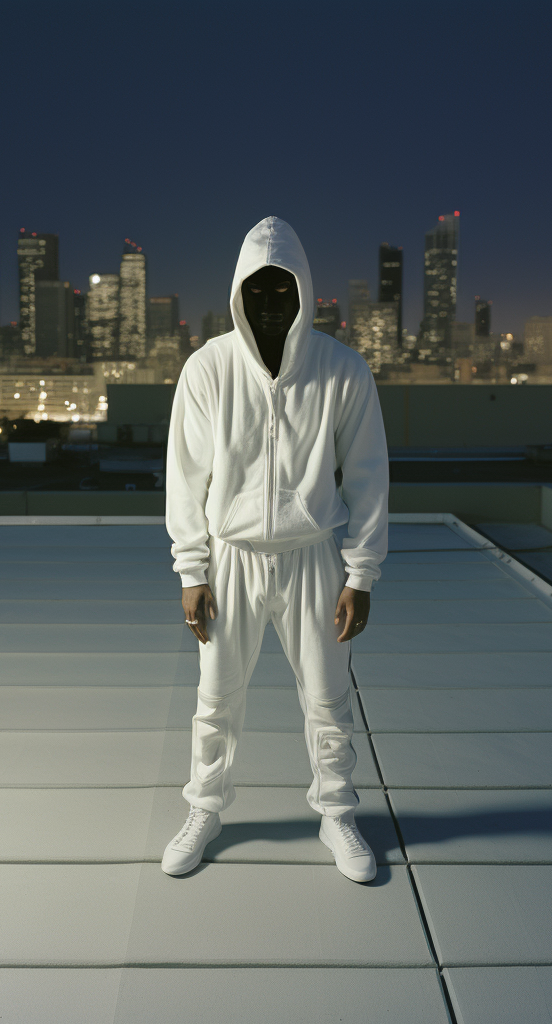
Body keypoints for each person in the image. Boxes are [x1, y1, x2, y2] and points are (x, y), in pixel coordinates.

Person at [162, 216, 388, 883]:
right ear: (237, 293)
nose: (268, 302)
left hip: (314, 555)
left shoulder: (343, 372)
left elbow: (370, 478)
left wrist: (362, 573)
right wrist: (191, 569)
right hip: (229, 560)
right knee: (215, 700)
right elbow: (186, 479)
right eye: (255, 289)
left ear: (303, 293)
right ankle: (204, 808)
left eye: (282, 288)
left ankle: (338, 813)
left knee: (327, 696)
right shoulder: (207, 370)